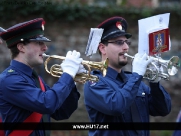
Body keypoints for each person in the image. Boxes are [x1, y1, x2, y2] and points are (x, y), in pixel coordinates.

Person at [83, 16, 171, 136]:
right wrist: (137, 75)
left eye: (126, 42)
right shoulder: (94, 81)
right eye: (119, 43)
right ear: (103, 48)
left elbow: (163, 109)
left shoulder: (134, 81)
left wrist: (155, 83)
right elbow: (117, 106)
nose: (126, 47)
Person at [0, 18, 84, 136]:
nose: (45, 48)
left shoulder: (35, 79)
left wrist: (72, 81)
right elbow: (47, 104)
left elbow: (61, 112)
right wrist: (68, 74)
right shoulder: (9, 79)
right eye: (39, 43)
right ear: (21, 47)